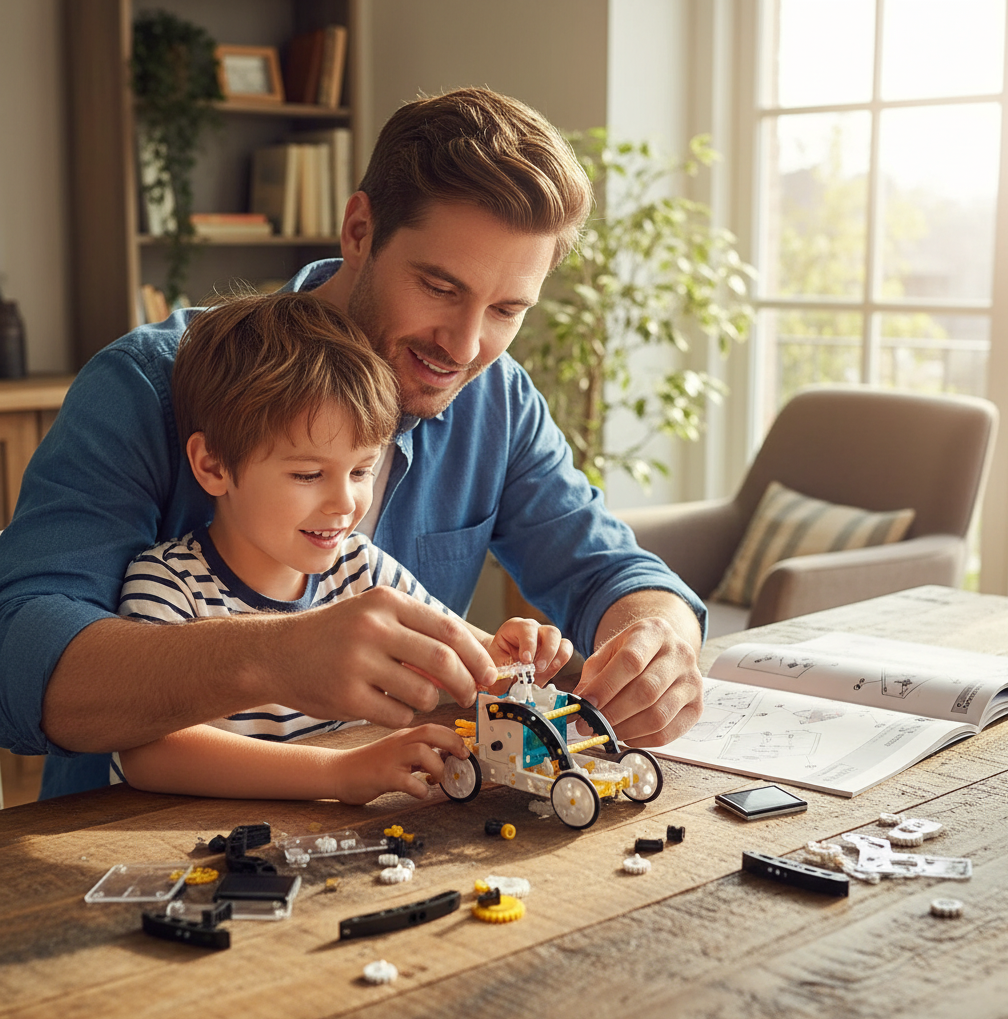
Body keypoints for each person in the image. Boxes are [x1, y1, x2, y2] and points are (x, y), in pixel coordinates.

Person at [0, 87, 706, 801]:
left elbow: (609, 571)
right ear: (359, 229)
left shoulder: (495, 399)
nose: (464, 347)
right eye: (439, 286)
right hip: (124, 857)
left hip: (382, 841)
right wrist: (274, 656)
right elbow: (18, 658)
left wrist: (659, 641)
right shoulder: (151, 386)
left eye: (505, 310)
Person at [112, 291, 571, 802]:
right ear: (214, 465)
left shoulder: (361, 568)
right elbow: (147, 751)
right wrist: (336, 773)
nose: (344, 503)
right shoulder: (169, 584)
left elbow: (457, 655)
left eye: (361, 471)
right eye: (308, 474)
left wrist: (503, 656)